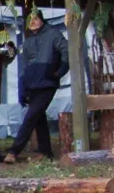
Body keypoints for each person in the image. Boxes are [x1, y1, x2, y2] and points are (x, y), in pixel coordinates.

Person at [4, 9, 69, 162]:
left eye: (35, 18)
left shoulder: (53, 34)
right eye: (29, 20)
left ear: (41, 19)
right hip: (32, 85)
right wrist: (22, 88)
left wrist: (59, 72)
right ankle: (46, 152)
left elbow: (67, 51)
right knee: (38, 118)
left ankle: (14, 151)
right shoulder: (27, 41)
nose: (32, 22)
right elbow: (25, 68)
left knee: (31, 117)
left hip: (47, 83)